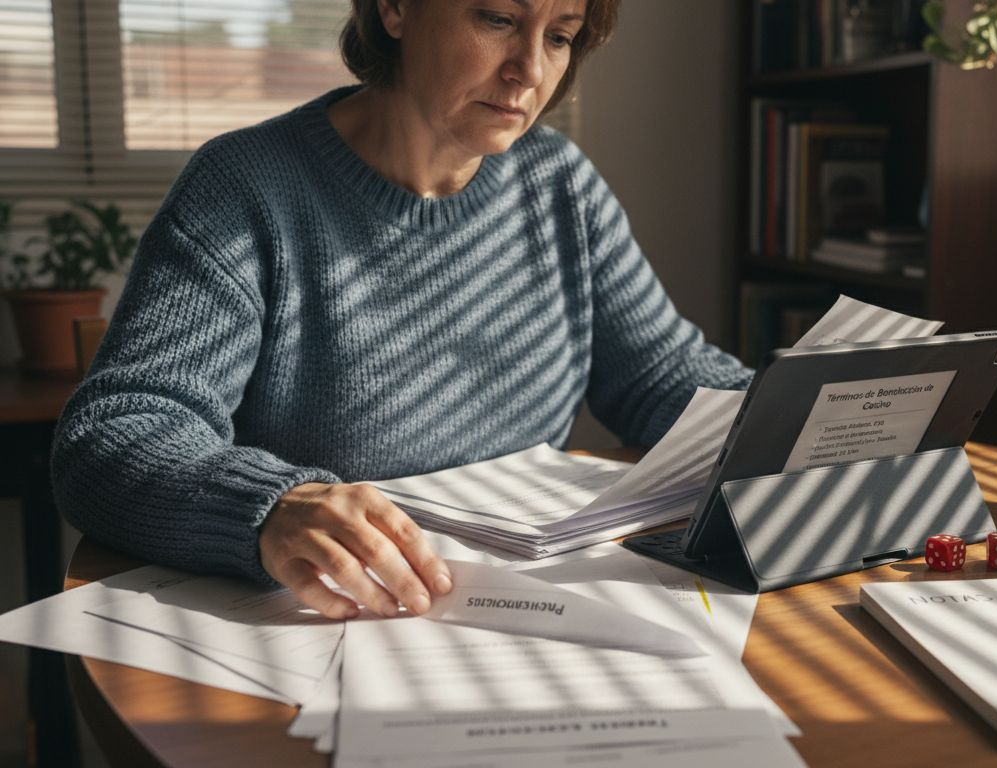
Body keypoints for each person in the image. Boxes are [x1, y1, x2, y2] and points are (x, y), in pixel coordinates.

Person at [52, 0, 750, 621]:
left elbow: (662, 378)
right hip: (327, 619)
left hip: (533, 610)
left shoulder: (558, 183)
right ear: (394, 9)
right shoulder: (246, 190)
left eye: (561, 35)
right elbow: (115, 434)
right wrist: (270, 507)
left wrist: (803, 419)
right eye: (498, 20)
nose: (530, 71)